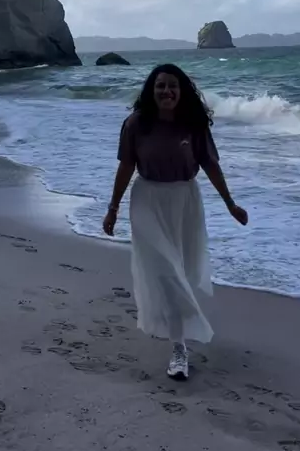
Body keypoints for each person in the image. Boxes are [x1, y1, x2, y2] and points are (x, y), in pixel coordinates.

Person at [103, 64, 248, 381]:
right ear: (151, 91)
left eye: (172, 86)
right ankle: (180, 348)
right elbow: (126, 167)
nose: (166, 91)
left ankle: (176, 327)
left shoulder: (193, 125)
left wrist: (230, 204)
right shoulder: (136, 124)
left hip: (185, 201)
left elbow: (210, 165)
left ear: (181, 91)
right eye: (160, 86)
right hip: (146, 200)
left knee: (182, 269)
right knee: (166, 271)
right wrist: (112, 208)